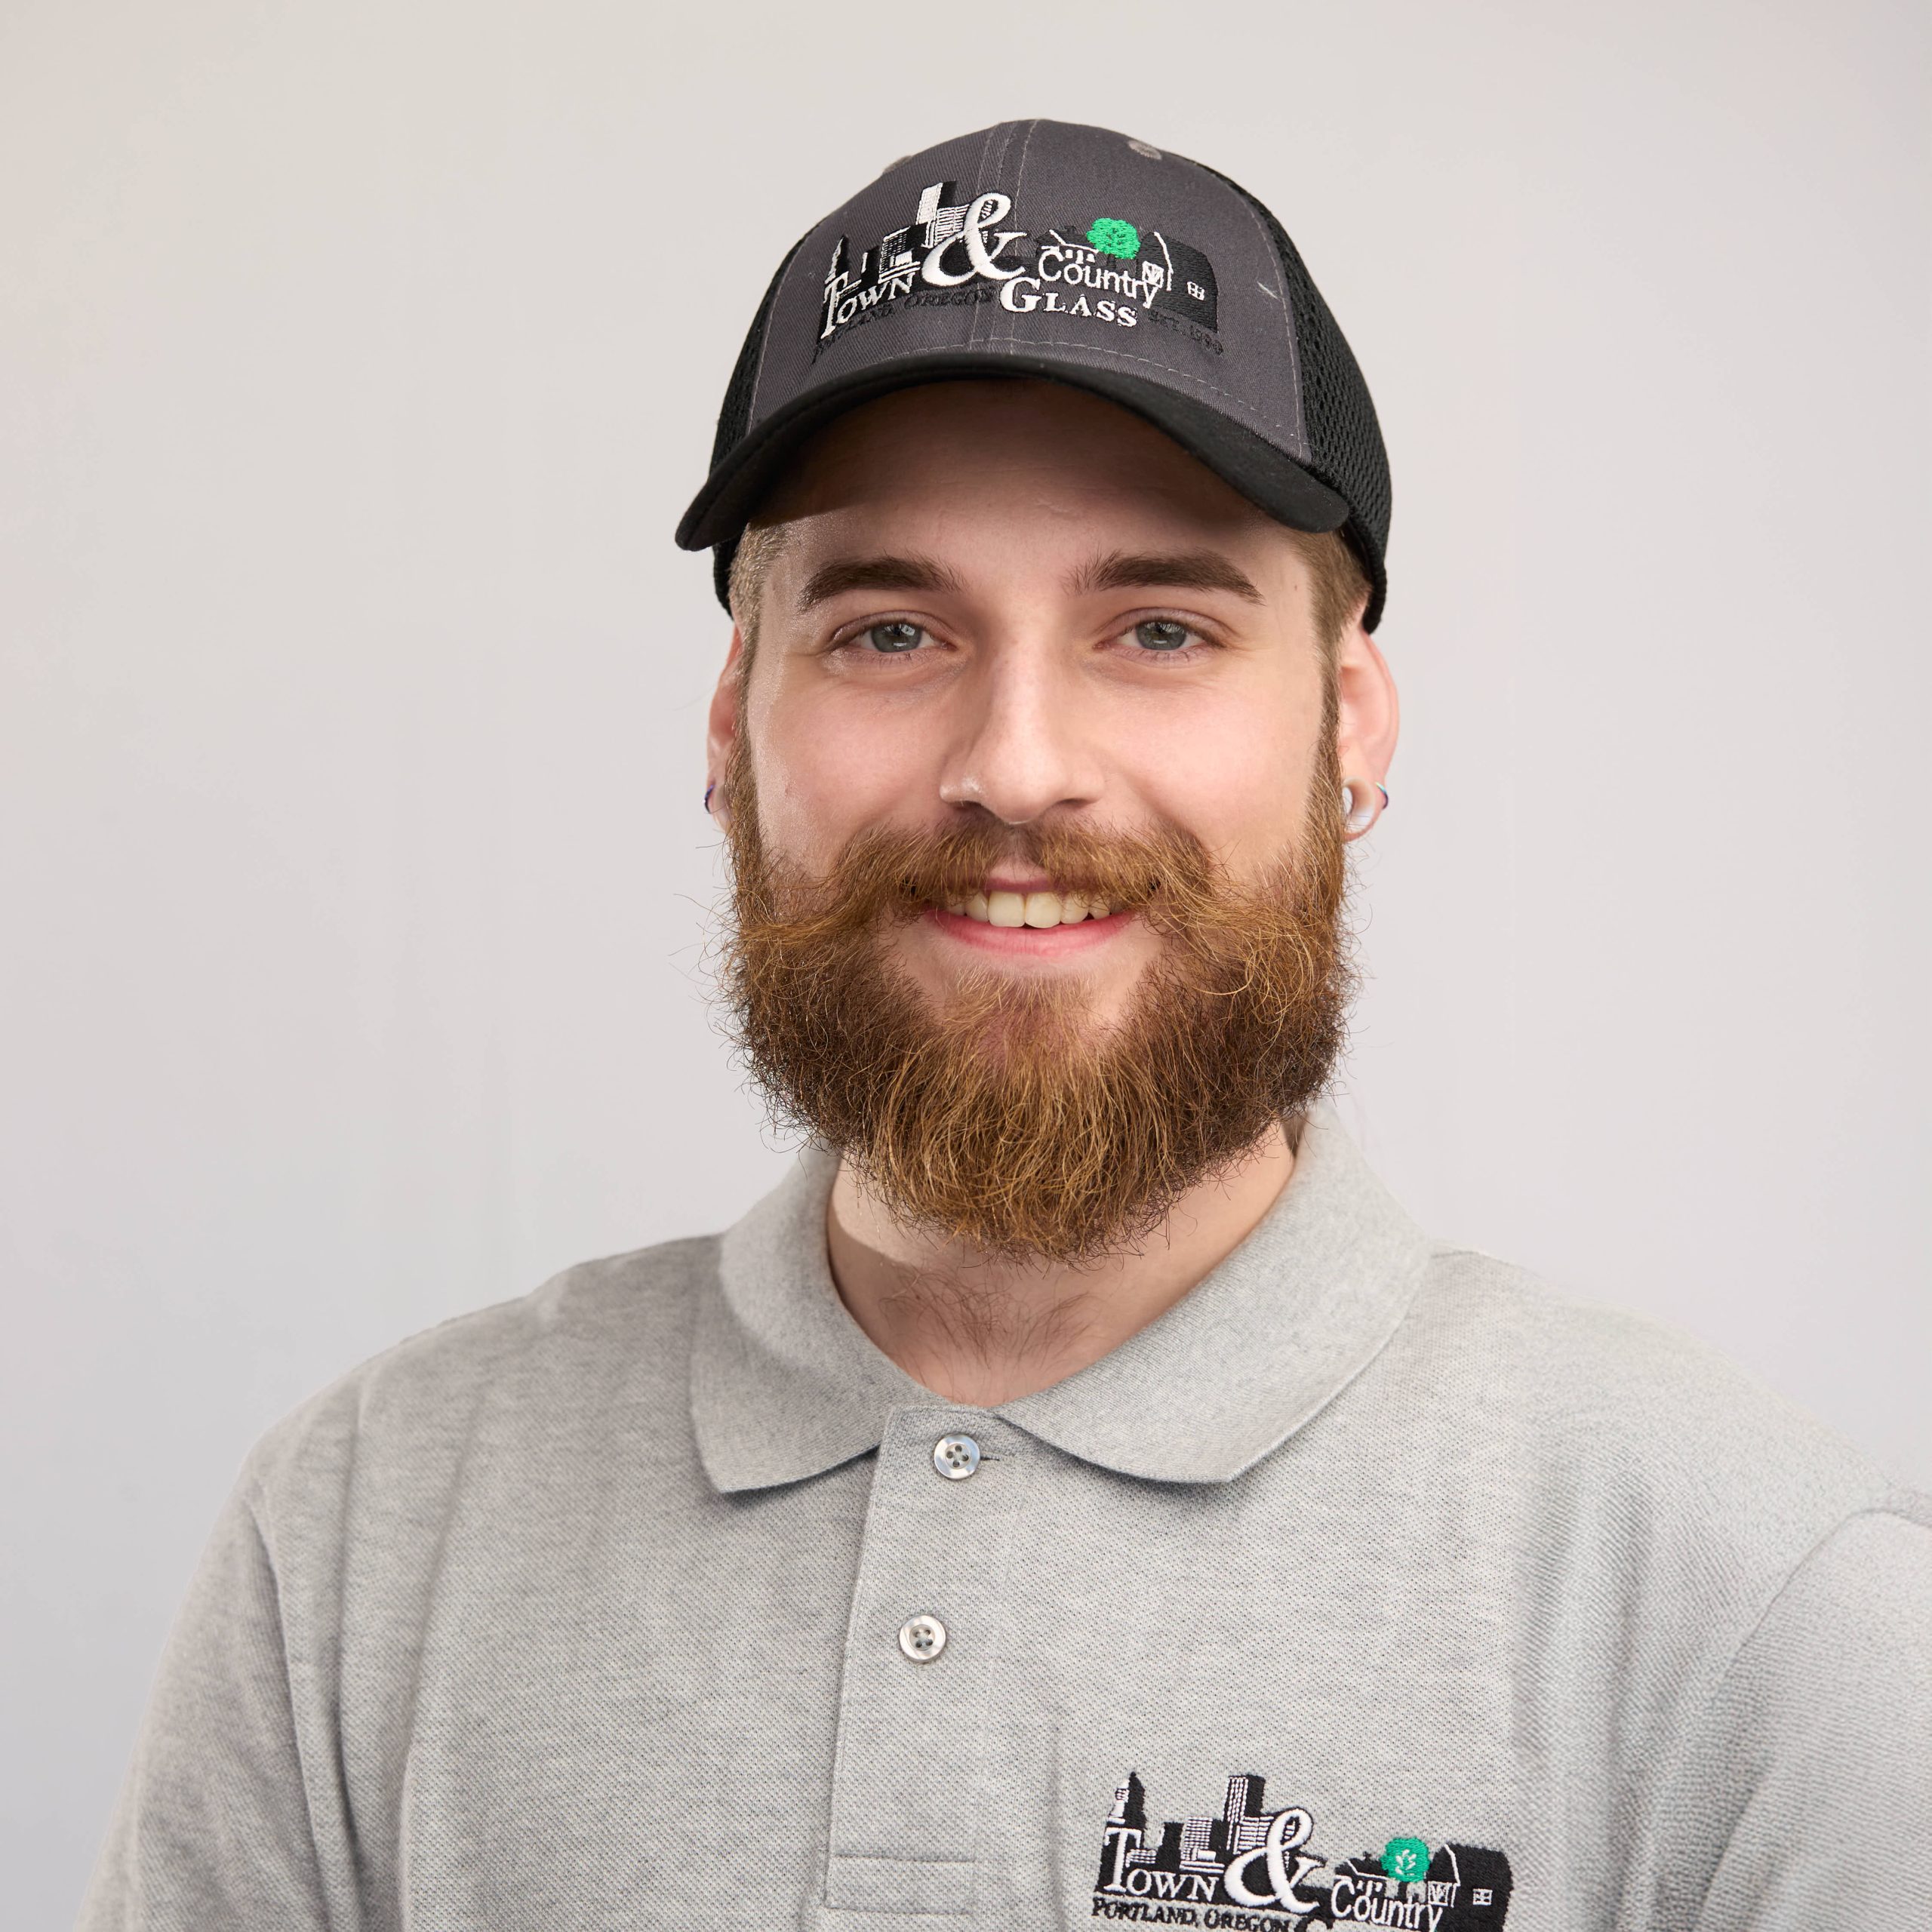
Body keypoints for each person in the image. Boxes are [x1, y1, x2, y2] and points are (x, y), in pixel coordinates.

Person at [81, 118, 1928, 1932]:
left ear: (1348, 723)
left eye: (1160, 628)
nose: (1018, 767)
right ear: (731, 725)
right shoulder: (363, 1535)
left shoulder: (1753, 1604)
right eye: (890, 631)